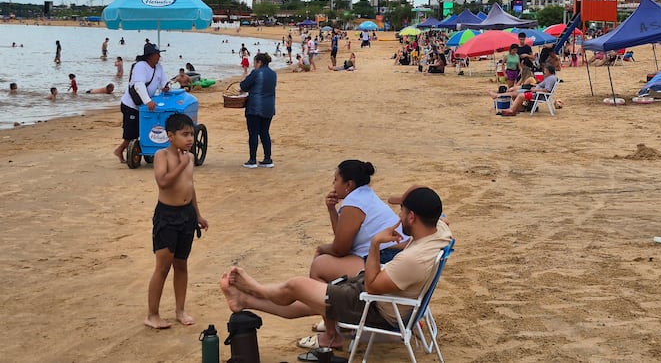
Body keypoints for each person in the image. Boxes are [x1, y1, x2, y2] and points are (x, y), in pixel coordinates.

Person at [219, 186, 452, 353]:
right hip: (386, 298)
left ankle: (254, 288)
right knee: (308, 297)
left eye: (402, 212)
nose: (398, 217)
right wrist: (408, 198)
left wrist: (375, 243)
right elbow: (436, 209)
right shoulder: (439, 230)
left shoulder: (413, 259)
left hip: (374, 309)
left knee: (297, 285)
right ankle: (244, 302)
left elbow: (372, 286)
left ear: (412, 217)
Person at [299, 160, 406, 346]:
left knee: (319, 266)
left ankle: (332, 335)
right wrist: (332, 210)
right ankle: (336, 319)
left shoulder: (353, 204)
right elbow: (342, 238)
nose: (333, 184)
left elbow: (340, 249)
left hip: (384, 262)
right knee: (328, 260)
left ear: (348, 184)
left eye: (336, 180)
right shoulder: (364, 195)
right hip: (393, 258)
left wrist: (321, 249)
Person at [144, 113, 208, 329]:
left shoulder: (189, 157)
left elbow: (190, 186)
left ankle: (180, 310)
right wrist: (180, 164)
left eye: (191, 134)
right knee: (163, 267)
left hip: (186, 215)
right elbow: (162, 182)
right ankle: (152, 314)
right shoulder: (163, 155)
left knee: (181, 264)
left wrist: (197, 214)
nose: (190, 139)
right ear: (170, 136)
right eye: (184, 134)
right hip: (167, 216)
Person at [114, 43, 170, 164]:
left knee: (144, 129)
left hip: (143, 106)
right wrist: (148, 101)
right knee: (132, 132)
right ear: (150, 56)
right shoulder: (140, 66)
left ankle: (145, 148)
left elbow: (163, 81)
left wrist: (166, 87)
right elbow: (139, 85)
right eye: (157, 54)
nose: (159, 56)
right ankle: (120, 150)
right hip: (131, 105)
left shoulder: (158, 67)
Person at [240, 52, 277, 168]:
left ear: (259, 62)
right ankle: (267, 159)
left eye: (254, 62)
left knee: (253, 133)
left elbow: (244, 86)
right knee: (264, 132)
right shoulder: (273, 74)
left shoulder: (256, 73)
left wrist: (245, 83)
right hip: (269, 107)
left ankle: (252, 160)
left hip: (255, 107)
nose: (253, 65)